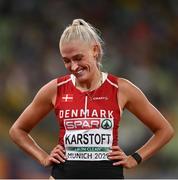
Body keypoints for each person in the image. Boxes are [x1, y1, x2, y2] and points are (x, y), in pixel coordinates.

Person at [9, 19, 174, 179]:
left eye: (78, 58)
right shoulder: (55, 89)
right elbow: (17, 130)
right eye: (67, 61)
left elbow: (164, 130)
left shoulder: (121, 89)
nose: (73, 67)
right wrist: (43, 157)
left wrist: (135, 158)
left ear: (95, 50)